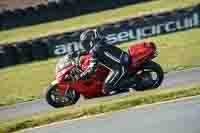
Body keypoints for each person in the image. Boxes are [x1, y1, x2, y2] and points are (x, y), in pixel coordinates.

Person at [77, 29, 130, 95]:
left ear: (89, 41)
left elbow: (92, 67)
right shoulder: (100, 43)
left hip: (120, 66)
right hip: (123, 57)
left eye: (84, 43)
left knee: (106, 89)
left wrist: (82, 75)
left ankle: (126, 92)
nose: (84, 46)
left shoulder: (95, 50)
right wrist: (80, 54)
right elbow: (95, 52)